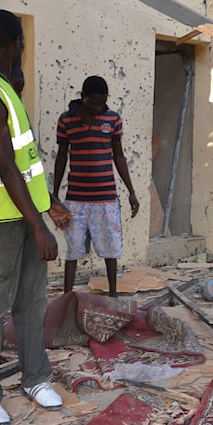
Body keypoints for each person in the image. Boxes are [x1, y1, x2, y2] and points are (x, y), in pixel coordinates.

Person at [0, 9, 71, 425]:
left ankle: (35, 379)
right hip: (0, 220)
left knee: (31, 301)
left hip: (23, 214)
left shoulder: (6, 89)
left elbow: (27, 164)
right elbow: (5, 167)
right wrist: (39, 225)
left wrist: (48, 204)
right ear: (15, 44)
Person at [53, 75, 139, 297]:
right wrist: (54, 193)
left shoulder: (113, 119)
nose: (98, 108)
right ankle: (67, 296)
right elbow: (61, 156)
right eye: (93, 103)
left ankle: (113, 294)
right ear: (83, 97)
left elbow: (118, 156)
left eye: (102, 103)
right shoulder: (66, 121)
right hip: (76, 198)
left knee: (111, 249)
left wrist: (131, 191)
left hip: (105, 198)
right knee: (72, 251)